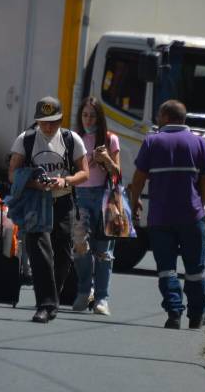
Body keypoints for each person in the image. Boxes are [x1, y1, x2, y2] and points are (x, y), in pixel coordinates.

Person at [131, 99, 205, 329]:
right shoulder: (199, 143)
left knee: (166, 268)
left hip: (160, 217)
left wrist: (134, 200)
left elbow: (139, 177)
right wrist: (201, 203)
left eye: (159, 116)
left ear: (165, 117)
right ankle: (197, 316)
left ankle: (174, 312)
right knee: (195, 269)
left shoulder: (152, 141)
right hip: (191, 215)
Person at [8, 96, 89, 323]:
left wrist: (66, 181)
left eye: (53, 121)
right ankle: (45, 304)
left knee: (62, 254)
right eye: (44, 122)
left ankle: (51, 298)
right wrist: (34, 183)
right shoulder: (26, 139)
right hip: (36, 202)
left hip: (63, 202)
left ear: (61, 119)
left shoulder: (71, 139)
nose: (48, 126)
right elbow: (12, 173)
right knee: (40, 252)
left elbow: (85, 172)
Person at [71, 97, 120, 316]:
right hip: (79, 196)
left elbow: (118, 174)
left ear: (100, 117)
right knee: (80, 245)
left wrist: (107, 160)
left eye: (92, 115)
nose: (88, 119)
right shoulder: (74, 139)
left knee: (103, 252)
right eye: (85, 115)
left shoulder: (110, 140)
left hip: (103, 197)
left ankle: (102, 298)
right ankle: (85, 289)